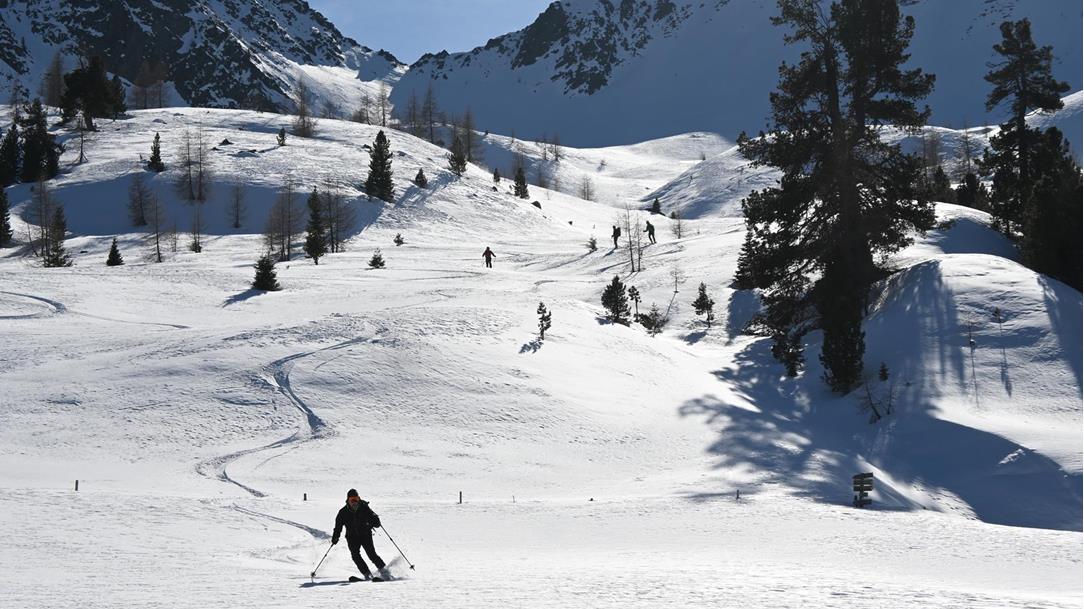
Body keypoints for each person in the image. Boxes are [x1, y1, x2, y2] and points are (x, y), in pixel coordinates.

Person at [332, 488, 389, 581]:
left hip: (365, 534)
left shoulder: (364, 508)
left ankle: (385, 573)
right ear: (348, 500)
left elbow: (376, 521)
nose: (354, 502)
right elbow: (338, 526)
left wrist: (375, 520)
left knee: (372, 554)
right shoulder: (343, 512)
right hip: (351, 536)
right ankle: (367, 574)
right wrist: (335, 536)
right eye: (352, 500)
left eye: (356, 499)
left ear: (359, 499)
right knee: (355, 555)